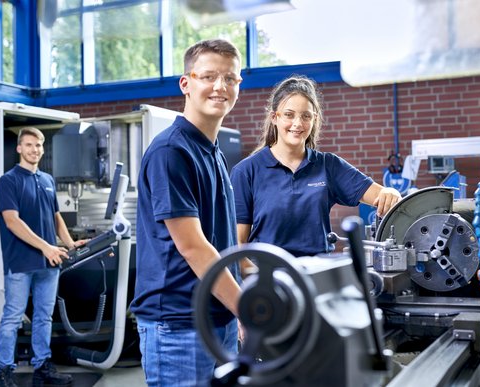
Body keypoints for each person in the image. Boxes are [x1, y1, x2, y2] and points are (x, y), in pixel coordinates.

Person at [130, 39, 243, 387]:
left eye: (230, 78)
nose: (220, 86)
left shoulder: (213, 151)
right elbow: (193, 247)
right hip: (178, 325)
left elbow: (220, 240)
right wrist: (248, 310)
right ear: (186, 83)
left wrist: (235, 309)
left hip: (217, 317)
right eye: (208, 76)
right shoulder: (171, 151)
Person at [230, 75, 402, 257]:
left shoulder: (328, 165)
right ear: (274, 117)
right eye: (289, 115)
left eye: (306, 116)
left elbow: (382, 196)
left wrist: (391, 192)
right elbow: (238, 245)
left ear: (314, 120)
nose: (297, 123)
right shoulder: (245, 172)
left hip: (317, 274)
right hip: (268, 275)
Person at [0, 127, 86, 387]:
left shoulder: (48, 180)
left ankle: (42, 366)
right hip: (21, 262)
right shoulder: (8, 181)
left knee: (44, 317)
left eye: (38, 145)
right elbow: (12, 221)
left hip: (50, 263)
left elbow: (55, 216)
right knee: (13, 317)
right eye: (29, 145)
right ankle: (4, 371)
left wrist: (69, 243)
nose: (34, 150)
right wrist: (46, 246)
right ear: (19, 149)